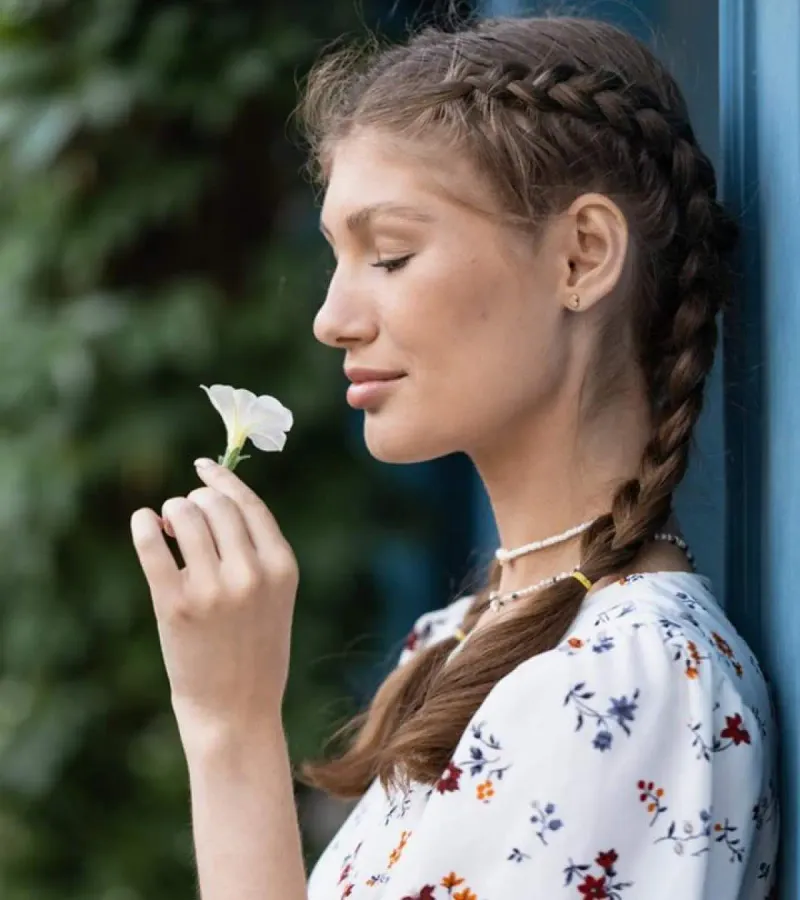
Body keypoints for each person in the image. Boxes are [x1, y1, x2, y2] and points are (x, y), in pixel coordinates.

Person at [130, 14, 778, 900]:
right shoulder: (456, 643)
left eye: (390, 255)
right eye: (337, 259)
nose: (331, 319)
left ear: (582, 256)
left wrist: (230, 729)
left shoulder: (627, 688)